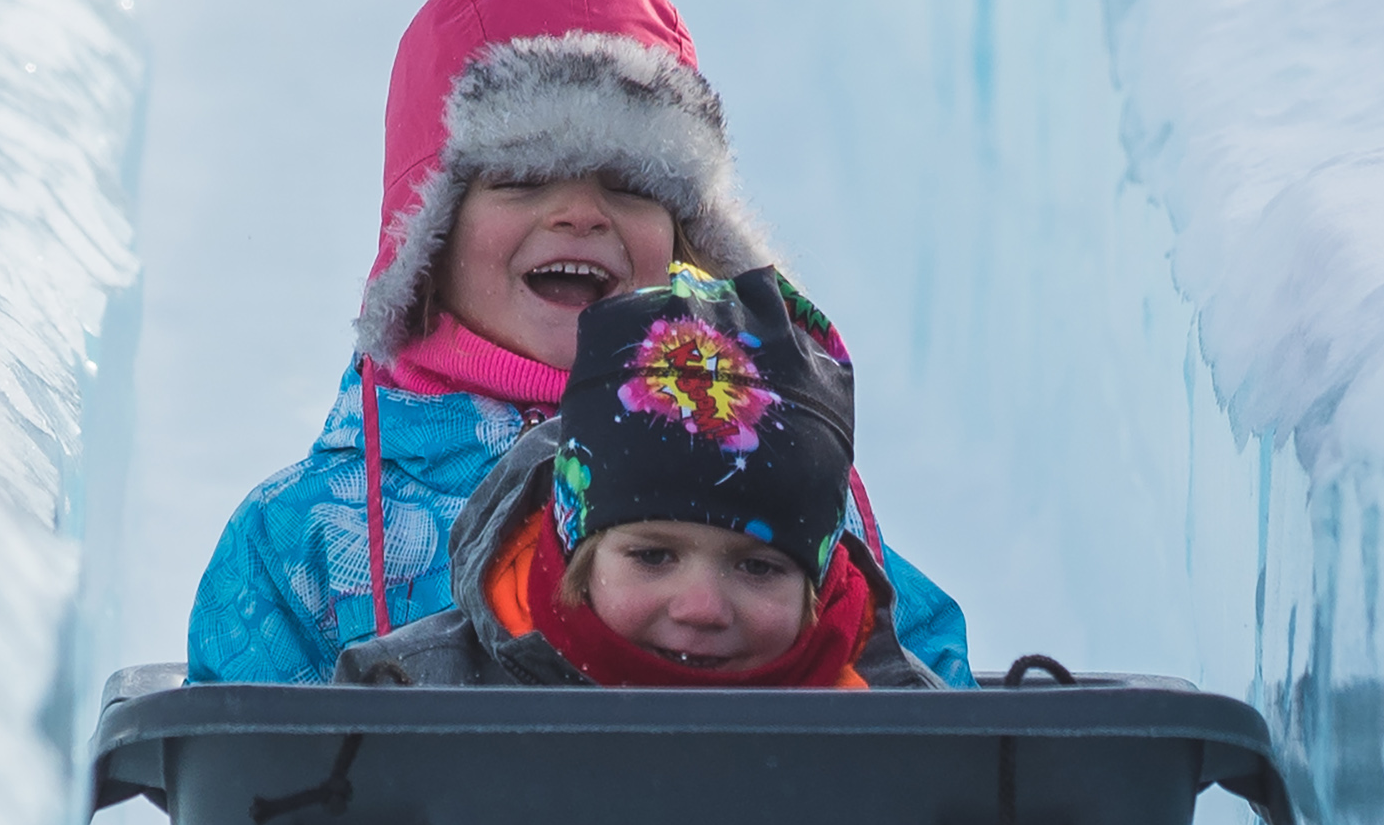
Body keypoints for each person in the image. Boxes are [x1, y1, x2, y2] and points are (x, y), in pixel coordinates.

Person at [186, 0, 970, 683]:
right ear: (428, 238)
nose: (580, 214)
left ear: (685, 234)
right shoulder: (308, 535)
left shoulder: (759, 465)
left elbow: (924, 710)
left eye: (630, 185)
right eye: (522, 179)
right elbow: (254, 777)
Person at [342, 267, 941, 689]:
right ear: (581, 551)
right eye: (653, 555)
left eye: (758, 566)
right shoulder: (413, 698)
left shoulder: (904, 734)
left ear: (815, 583)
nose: (702, 609)